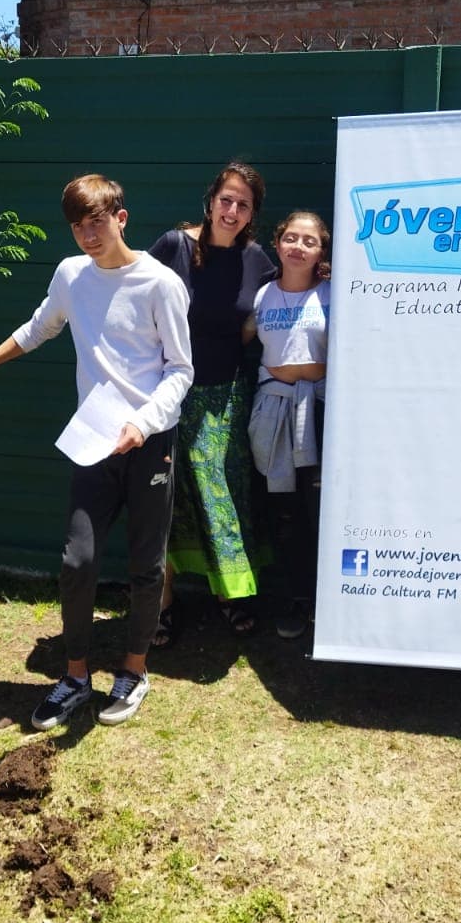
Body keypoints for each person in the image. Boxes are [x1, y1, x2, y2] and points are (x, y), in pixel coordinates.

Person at [0, 174, 192, 730]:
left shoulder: (158, 284)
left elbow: (182, 369)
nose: (88, 233)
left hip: (150, 440)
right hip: (94, 439)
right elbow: (40, 328)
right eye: (78, 224)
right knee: (77, 561)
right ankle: (76, 678)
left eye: (97, 221)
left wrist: (144, 422)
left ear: (121, 218)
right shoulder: (71, 275)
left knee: (145, 565)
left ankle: (133, 671)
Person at [147, 162, 276, 641]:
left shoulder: (257, 260)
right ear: (211, 200)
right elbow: (136, 304)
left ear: (252, 213)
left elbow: (275, 307)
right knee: (165, 497)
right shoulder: (173, 246)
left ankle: (229, 595)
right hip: (168, 395)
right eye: (227, 199)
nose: (233, 210)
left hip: (227, 398)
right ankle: (160, 603)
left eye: (244, 204)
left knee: (224, 499)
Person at [245, 212, 330, 640]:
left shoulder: (335, 295)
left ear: (321, 251)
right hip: (273, 411)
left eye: (309, 241)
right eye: (291, 238)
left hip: (319, 410)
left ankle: (328, 604)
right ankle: (295, 599)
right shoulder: (262, 296)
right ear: (278, 244)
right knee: (284, 511)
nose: (298, 246)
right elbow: (234, 340)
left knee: (320, 511)